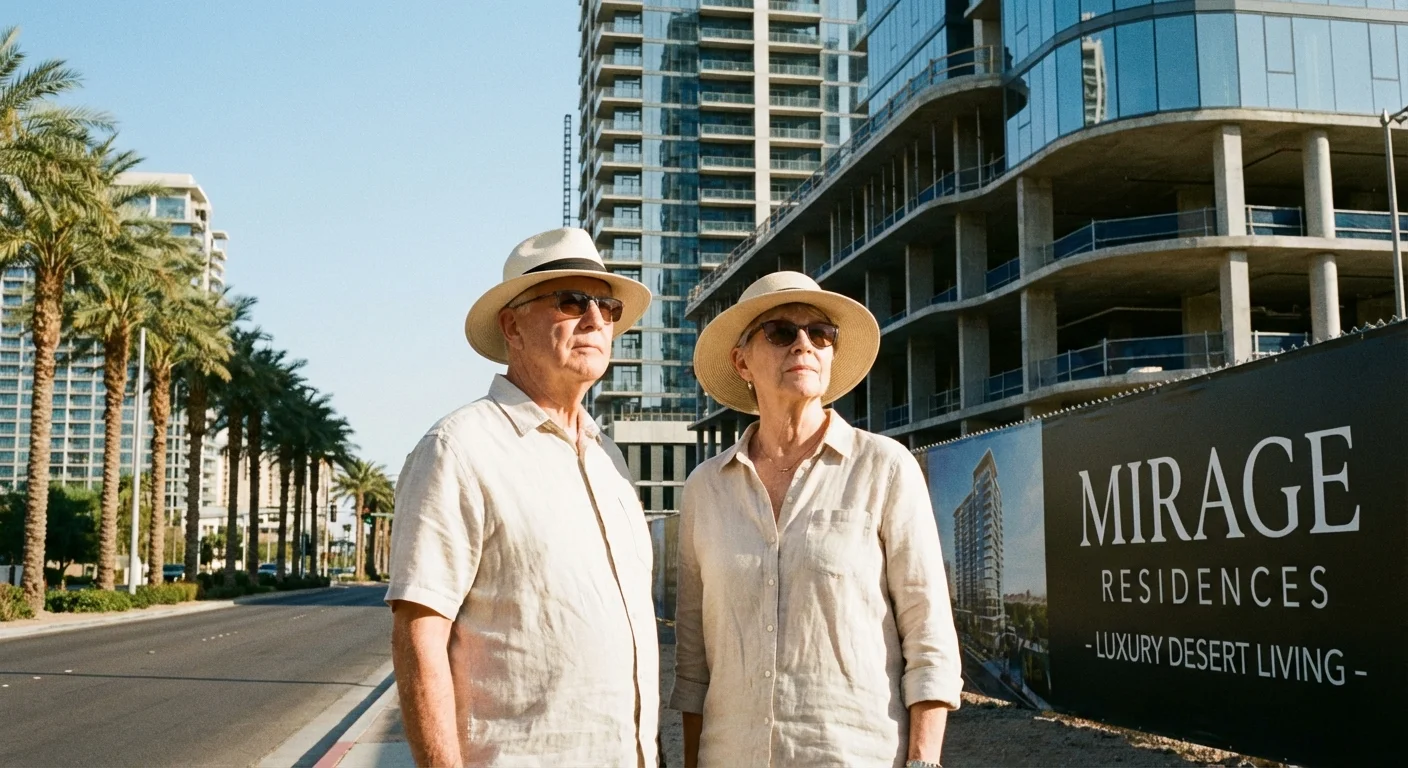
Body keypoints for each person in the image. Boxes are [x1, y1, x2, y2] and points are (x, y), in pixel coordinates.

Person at [387, 227, 659, 767]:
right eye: (571, 301)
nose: (595, 320)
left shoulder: (611, 463)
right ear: (512, 325)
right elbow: (419, 635)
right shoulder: (458, 449)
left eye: (606, 307)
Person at [671, 272, 963, 768]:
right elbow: (695, 663)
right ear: (741, 360)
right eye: (781, 332)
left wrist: (923, 761)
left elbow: (929, 635)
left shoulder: (885, 468)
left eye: (821, 334)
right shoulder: (706, 487)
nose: (804, 344)